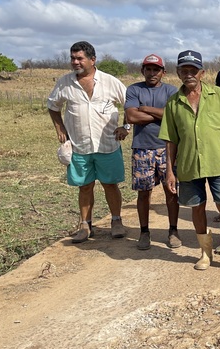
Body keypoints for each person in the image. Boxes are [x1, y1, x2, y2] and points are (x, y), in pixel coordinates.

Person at [159, 50, 220, 273]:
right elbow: (171, 141)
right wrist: (170, 171)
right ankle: (205, 253)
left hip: (218, 162)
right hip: (189, 165)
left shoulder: (217, 95)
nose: (189, 74)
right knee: (197, 208)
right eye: (184, 70)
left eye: (193, 70)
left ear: (202, 73)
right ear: (177, 72)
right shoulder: (173, 103)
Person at [48, 41, 129, 243]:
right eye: (72, 58)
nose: (75, 62)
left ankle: (116, 221)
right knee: (84, 186)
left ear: (93, 60)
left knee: (110, 184)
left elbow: (131, 104)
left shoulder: (110, 81)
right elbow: (53, 105)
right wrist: (59, 128)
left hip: (108, 144)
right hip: (80, 145)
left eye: (79, 58)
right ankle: (85, 225)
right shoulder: (65, 82)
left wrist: (126, 127)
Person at [124, 53, 181, 250]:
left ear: (163, 72)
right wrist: (161, 115)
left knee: (171, 191)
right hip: (142, 148)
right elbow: (131, 116)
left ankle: (173, 230)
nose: (152, 73)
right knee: (143, 193)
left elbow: (173, 115)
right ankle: (144, 232)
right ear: (142, 71)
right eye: (148, 69)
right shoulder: (134, 89)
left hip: (167, 147)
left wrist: (146, 109)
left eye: (156, 69)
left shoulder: (171, 91)